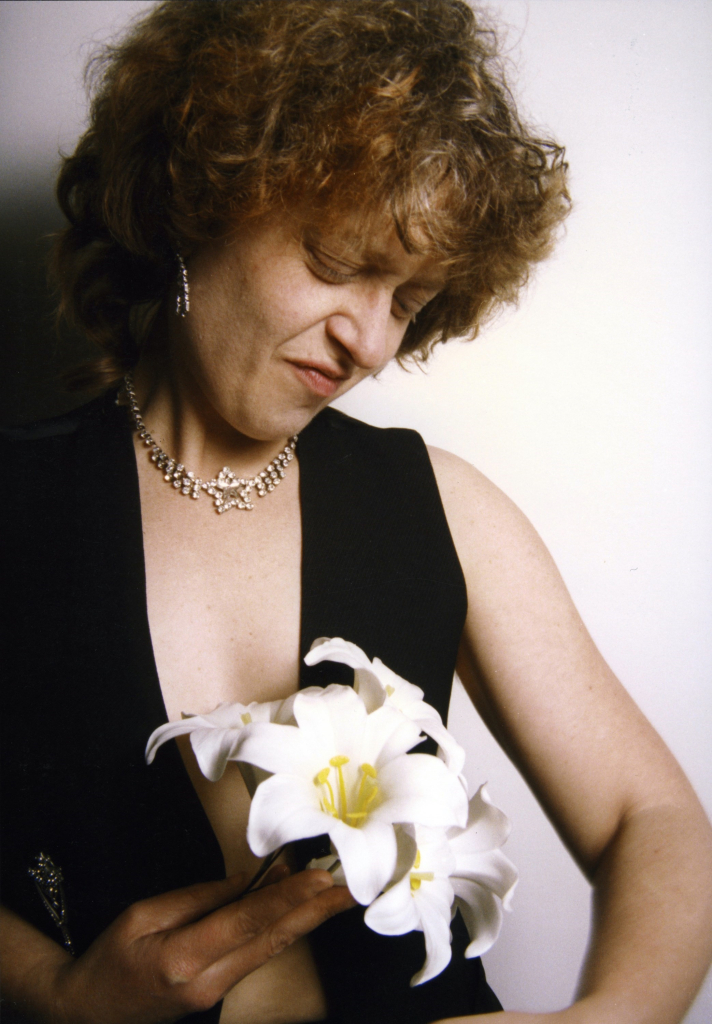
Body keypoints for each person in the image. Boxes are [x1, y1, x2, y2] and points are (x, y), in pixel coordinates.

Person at [1, 1, 711, 1023]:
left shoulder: (442, 506)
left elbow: (650, 817)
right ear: (200, 203)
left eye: (409, 300)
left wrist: (608, 1018)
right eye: (336, 263)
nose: (370, 343)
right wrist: (55, 994)